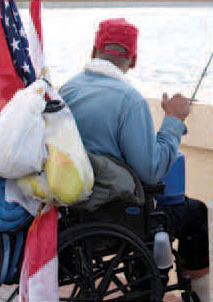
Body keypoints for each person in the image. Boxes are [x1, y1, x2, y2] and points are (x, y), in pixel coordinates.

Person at [59, 18, 209, 302]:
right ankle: (202, 296)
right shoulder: (130, 100)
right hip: (112, 213)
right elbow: (150, 172)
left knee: (141, 212)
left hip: (74, 208)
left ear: (94, 51)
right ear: (134, 59)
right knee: (194, 211)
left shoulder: (66, 90)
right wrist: (174, 121)